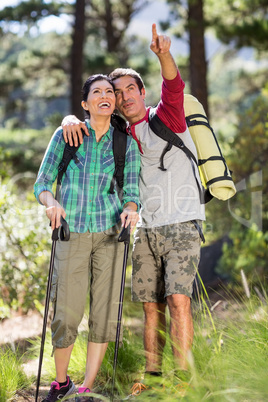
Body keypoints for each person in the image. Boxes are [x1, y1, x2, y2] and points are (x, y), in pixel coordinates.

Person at [61, 24, 205, 396]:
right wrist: (69, 121)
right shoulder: (120, 134)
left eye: (129, 89)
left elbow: (174, 87)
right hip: (144, 230)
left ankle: (183, 381)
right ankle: (154, 379)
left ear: (142, 92)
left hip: (182, 223)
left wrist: (163, 56)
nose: (123, 97)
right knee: (150, 306)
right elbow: (92, 121)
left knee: (178, 299)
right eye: (116, 91)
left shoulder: (168, 117)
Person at [34, 74, 140, 402]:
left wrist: (131, 209)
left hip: (111, 236)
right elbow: (42, 183)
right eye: (97, 92)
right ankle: (62, 382)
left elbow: (132, 191)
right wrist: (51, 204)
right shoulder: (66, 136)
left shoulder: (126, 143)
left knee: (105, 313)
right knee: (66, 312)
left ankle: (86, 388)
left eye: (110, 91)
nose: (105, 96)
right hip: (72, 232)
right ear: (85, 103)